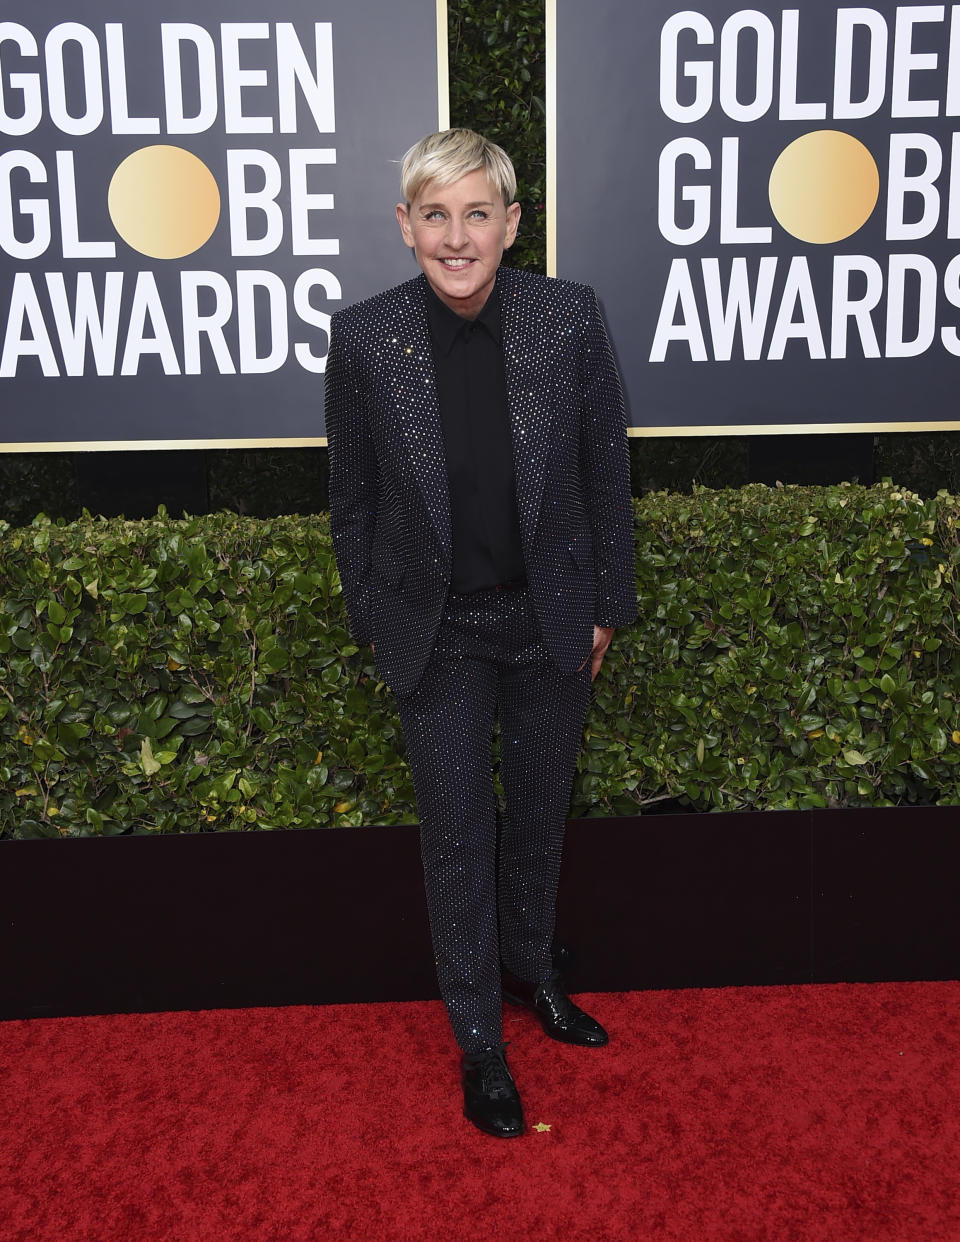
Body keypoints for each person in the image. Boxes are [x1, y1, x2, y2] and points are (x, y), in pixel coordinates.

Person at [325, 129, 635, 1138]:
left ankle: (533, 973)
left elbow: (603, 473)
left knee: (542, 815)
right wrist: (380, 621)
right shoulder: (367, 338)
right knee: (459, 837)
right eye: (435, 215)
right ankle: (479, 1043)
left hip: (547, 620)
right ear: (406, 225)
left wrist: (601, 607)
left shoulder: (567, 318)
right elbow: (354, 502)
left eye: (476, 214)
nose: (456, 236)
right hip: (439, 635)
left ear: (509, 223)